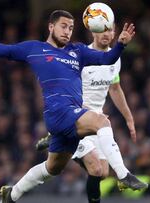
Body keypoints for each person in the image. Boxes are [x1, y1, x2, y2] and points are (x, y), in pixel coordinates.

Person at [0, 10, 147, 203]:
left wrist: (120, 44)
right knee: (101, 121)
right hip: (59, 112)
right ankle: (123, 175)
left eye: (71, 28)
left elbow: (107, 59)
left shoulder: (77, 51)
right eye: (63, 26)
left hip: (70, 117)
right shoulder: (35, 49)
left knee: (52, 168)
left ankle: (11, 195)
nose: (67, 31)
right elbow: (3, 50)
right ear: (51, 26)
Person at [35, 24, 141, 203]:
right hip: (77, 118)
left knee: (104, 173)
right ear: (94, 31)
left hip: (96, 121)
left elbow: (115, 89)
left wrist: (129, 118)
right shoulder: (80, 57)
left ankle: (57, 139)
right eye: (103, 30)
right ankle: (65, 139)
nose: (107, 34)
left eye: (110, 30)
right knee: (95, 169)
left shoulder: (114, 58)